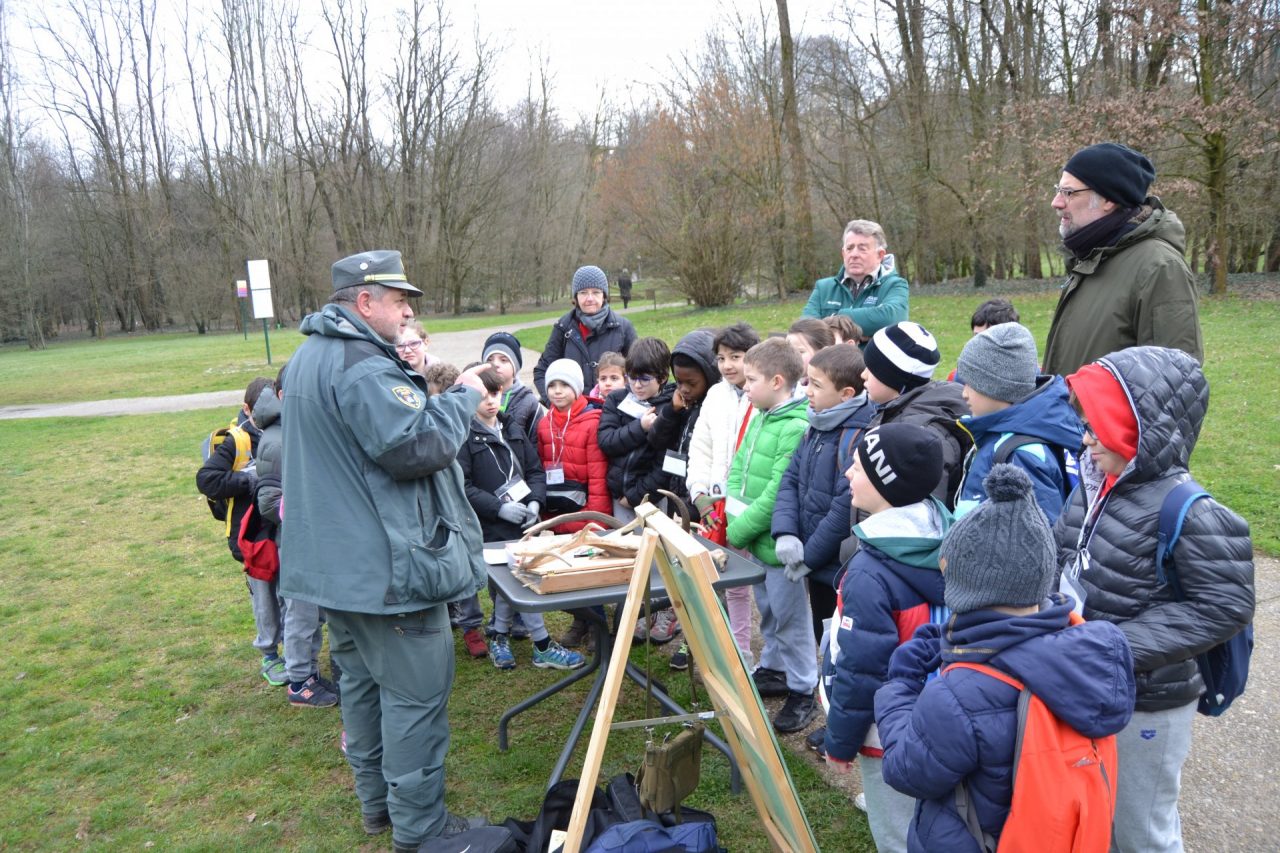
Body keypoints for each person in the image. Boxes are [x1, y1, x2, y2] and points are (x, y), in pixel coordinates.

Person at [278, 249, 487, 850]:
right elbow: (415, 448)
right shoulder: (362, 365)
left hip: (337, 574)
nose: (408, 311)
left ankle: (379, 809)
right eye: (399, 301)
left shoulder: (310, 356)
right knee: (414, 701)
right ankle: (420, 829)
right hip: (387, 576)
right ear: (364, 302)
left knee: (362, 693)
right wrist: (463, 396)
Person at [875, 465, 1136, 852]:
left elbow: (906, 770)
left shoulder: (958, 696)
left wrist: (899, 684)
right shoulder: (1085, 650)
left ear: (969, 588)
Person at [1055, 346, 1253, 852]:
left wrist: (1112, 646)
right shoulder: (1095, 486)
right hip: (1092, 681)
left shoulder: (1192, 510)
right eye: (1085, 424)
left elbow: (1224, 606)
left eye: (1099, 425)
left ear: (1141, 427)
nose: (1085, 437)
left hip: (1148, 700)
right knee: (1100, 813)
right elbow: (1062, 555)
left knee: (1142, 830)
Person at [823, 423, 953, 852]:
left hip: (887, 732)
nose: (847, 473)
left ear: (885, 484)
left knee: (897, 834)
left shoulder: (870, 571)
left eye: (859, 467)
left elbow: (862, 669)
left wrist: (840, 743)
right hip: (941, 720)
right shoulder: (945, 535)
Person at [456, 367, 585, 673]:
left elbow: (535, 470)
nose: (490, 401)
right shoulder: (463, 435)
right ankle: (542, 645)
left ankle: (499, 636)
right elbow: (463, 486)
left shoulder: (511, 426)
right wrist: (498, 509)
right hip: (489, 526)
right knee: (517, 579)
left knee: (516, 576)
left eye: (495, 393)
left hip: (522, 521)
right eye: (483, 395)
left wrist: (535, 501)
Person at [1042, 143, 1203, 376]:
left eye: (1069, 192)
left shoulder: (1159, 268)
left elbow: (1174, 381)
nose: (1056, 202)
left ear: (1108, 200)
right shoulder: (1089, 257)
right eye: (1058, 189)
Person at [725, 337, 815, 733]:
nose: (745, 386)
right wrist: (732, 510)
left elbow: (778, 491)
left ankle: (803, 687)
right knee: (768, 610)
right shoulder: (761, 415)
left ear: (777, 381)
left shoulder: (794, 426)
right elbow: (738, 467)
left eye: (751, 380)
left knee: (791, 618)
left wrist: (739, 527)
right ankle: (775, 668)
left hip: (777, 543)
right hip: (754, 540)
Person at [252, 367, 338, 708]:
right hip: (298, 542)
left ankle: (309, 673)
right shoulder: (277, 439)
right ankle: (300, 682)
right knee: (302, 613)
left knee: (315, 613)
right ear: (282, 394)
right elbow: (269, 502)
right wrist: (310, 517)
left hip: (316, 538)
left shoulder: (299, 428)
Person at [686, 322, 760, 669]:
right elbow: (700, 447)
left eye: (736, 357)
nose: (728, 365)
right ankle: (730, 650)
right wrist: (699, 492)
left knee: (757, 584)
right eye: (721, 358)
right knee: (725, 578)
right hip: (716, 505)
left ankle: (754, 655)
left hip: (752, 506)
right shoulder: (716, 395)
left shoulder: (763, 395)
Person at [953, 322, 1082, 522]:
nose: (964, 394)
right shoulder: (998, 432)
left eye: (971, 384)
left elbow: (1036, 534)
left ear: (997, 387)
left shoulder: (1022, 457)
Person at [647, 329, 721, 669]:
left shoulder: (717, 408)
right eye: (680, 381)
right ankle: (685, 627)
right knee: (680, 569)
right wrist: (672, 411)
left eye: (692, 382)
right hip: (676, 496)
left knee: (704, 573)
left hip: (702, 500)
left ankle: (700, 640)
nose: (685, 388)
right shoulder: (679, 401)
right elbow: (657, 441)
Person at [196, 376, 275, 683]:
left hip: (278, 530)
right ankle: (270, 655)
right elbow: (207, 480)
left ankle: (296, 651)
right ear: (247, 409)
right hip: (251, 537)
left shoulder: (281, 431)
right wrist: (250, 479)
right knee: (264, 599)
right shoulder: (238, 441)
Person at [860, 322, 971, 512]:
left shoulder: (920, 435)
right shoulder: (898, 410)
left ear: (895, 379)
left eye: (872, 369)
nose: (863, 374)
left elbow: (920, 516)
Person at [533, 264, 638, 402]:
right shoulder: (563, 327)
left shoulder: (623, 328)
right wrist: (555, 404)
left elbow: (639, 371)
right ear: (576, 297)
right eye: (583, 292)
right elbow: (542, 371)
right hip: (574, 412)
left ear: (604, 295)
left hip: (614, 410)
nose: (589, 298)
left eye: (596, 292)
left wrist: (622, 403)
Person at [801, 219, 910, 344]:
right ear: (843, 253)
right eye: (849, 248)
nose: (854, 254)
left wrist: (835, 320)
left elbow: (891, 319)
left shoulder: (895, 285)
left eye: (862, 249)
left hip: (870, 357)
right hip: (830, 357)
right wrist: (865, 330)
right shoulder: (824, 287)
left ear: (880, 255)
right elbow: (805, 330)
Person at [483, 332, 542, 442]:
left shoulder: (529, 402)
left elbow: (535, 444)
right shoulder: (476, 396)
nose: (495, 364)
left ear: (515, 367)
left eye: (503, 360)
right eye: (489, 359)